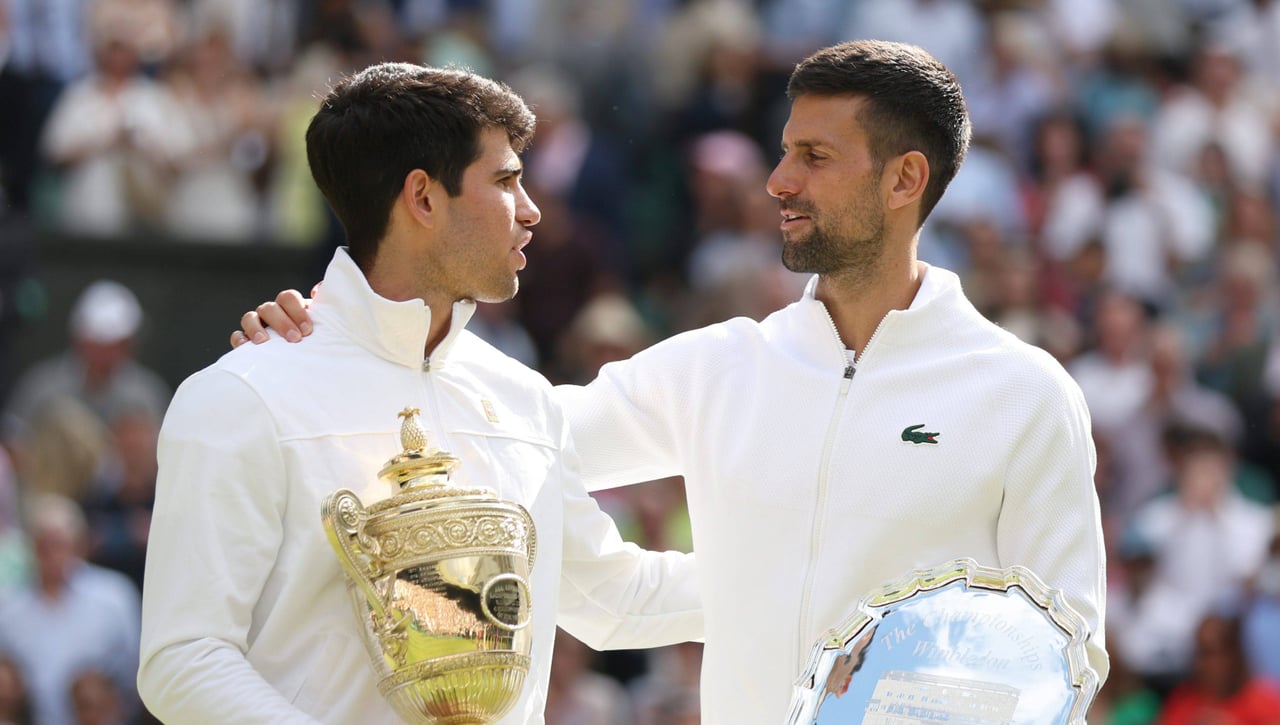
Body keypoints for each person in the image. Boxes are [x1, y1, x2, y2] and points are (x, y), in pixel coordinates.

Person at [239, 40, 1109, 722]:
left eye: (814, 156)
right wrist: (338, 345)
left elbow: (1067, 651)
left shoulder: (1024, 394)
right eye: (784, 152)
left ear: (904, 179)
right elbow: (497, 429)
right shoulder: (719, 365)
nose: (779, 182)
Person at [139, 63, 701, 725]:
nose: (531, 209)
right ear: (424, 198)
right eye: (506, 180)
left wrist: (828, 566)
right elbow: (184, 658)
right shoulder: (240, 396)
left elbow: (614, 598)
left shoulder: (525, 398)